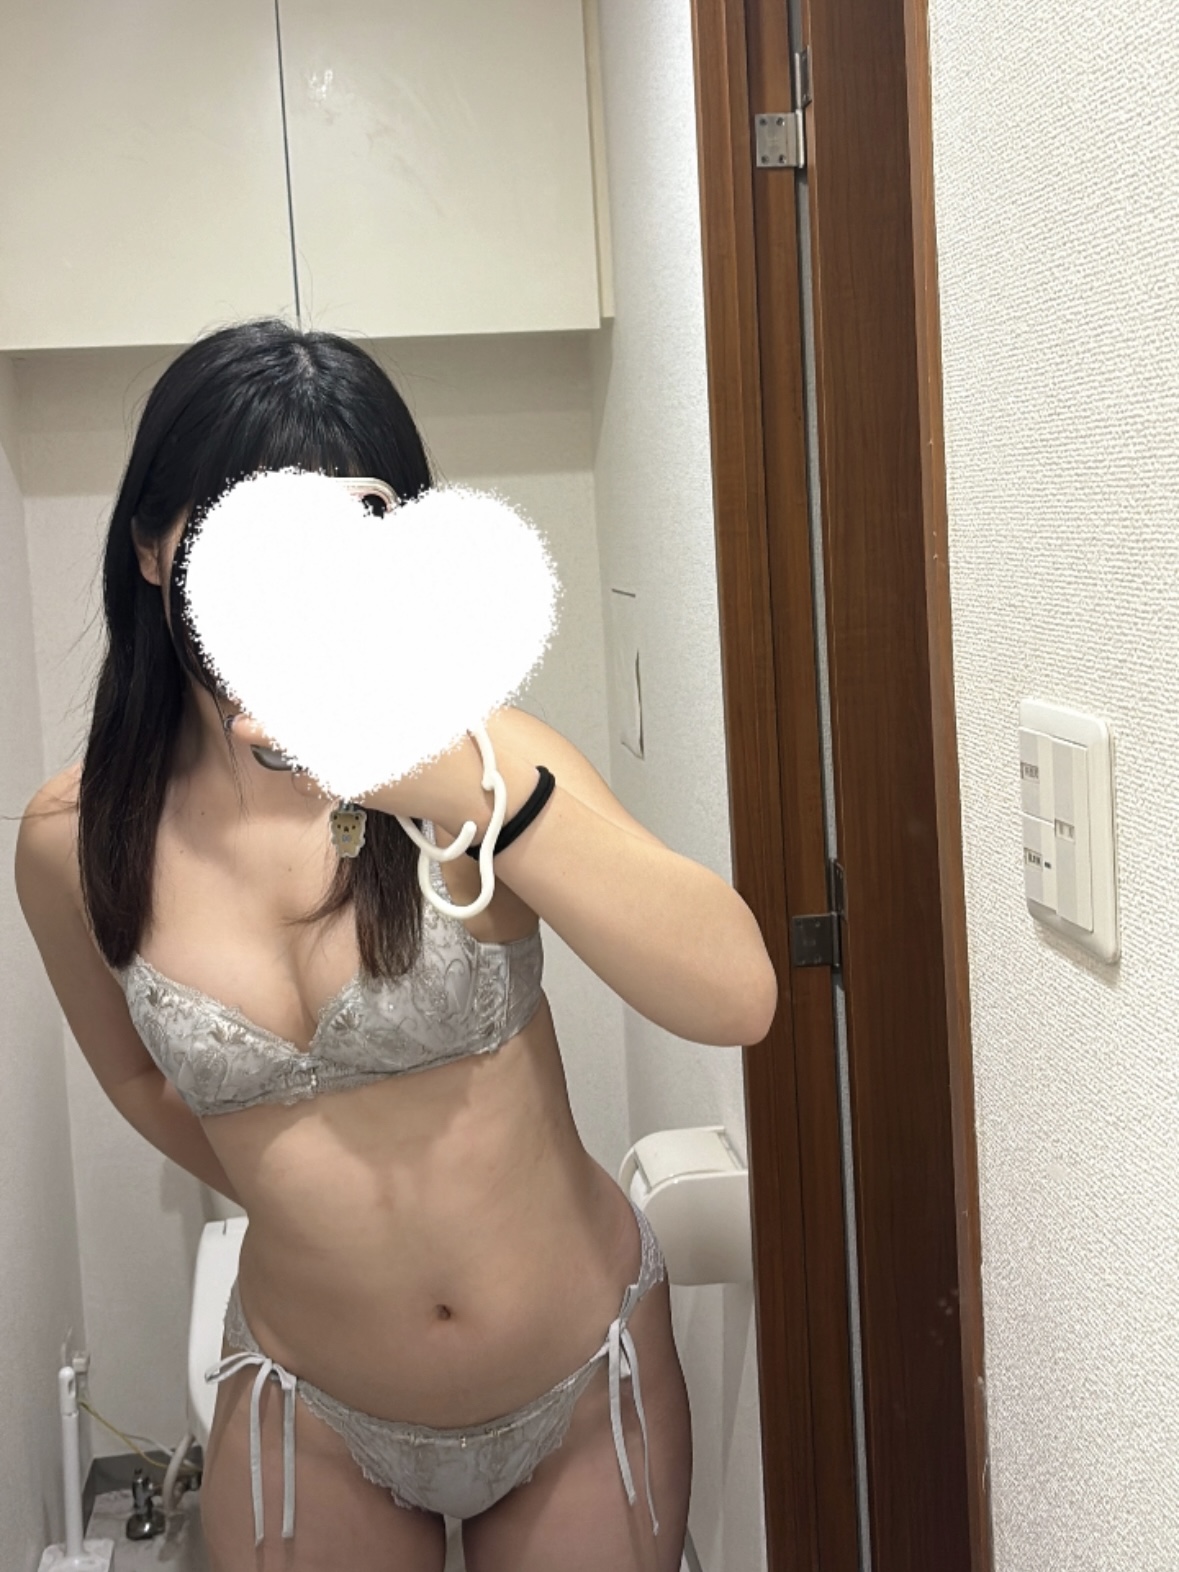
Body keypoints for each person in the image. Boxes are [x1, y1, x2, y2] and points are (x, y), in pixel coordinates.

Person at [14, 318, 778, 1572]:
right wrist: (301, 1186)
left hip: (580, 1383)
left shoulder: (480, 756)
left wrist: (463, 791)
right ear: (153, 546)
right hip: (310, 1409)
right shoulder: (75, 838)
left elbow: (736, 993)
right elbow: (139, 1079)